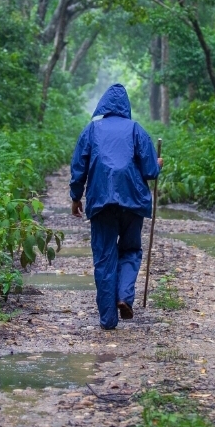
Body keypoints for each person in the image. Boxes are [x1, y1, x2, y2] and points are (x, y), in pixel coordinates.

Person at [70, 84, 161, 329]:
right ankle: (124, 296)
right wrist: (158, 162)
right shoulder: (136, 130)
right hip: (132, 201)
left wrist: (76, 197)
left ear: (103, 106)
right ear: (126, 107)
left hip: (101, 202)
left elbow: (78, 167)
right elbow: (150, 170)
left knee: (104, 257)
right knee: (130, 250)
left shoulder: (91, 130)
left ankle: (108, 320)